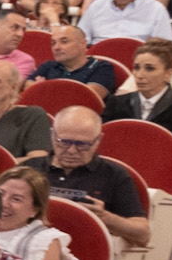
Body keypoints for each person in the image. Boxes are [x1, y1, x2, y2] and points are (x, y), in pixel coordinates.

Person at [33, 107, 153, 250]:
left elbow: (143, 236)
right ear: (52, 135)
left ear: (98, 140)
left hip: (87, 250)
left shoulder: (114, 175)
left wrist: (105, 218)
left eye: (82, 144)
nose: (71, 151)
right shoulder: (29, 168)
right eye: (63, 142)